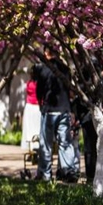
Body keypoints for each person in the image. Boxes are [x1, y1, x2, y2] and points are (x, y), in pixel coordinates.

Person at [34, 47, 78, 182]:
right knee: (65, 142)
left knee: (46, 144)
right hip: (64, 109)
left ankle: (46, 174)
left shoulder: (43, 68)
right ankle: (69, 171)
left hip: (49, 110)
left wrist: (40, 103)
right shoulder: (65, 68)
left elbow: (39, 89)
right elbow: (69, 88)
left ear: (47, 54)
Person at [20, 68, 41, 150]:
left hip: (30, 107)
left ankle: (32, 148)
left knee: (30, 129)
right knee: (37, 128)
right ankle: (37, 147)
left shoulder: (29, 84)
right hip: (38, 107)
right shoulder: (40, 84)